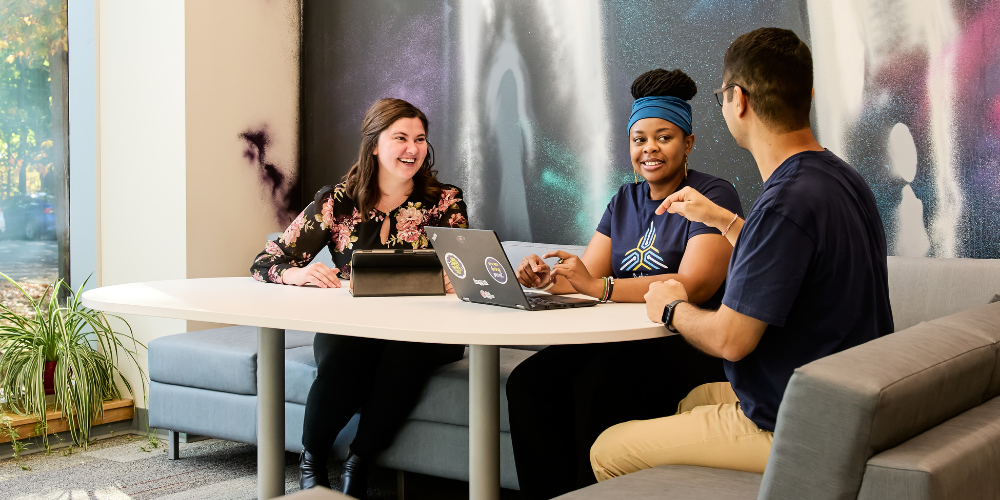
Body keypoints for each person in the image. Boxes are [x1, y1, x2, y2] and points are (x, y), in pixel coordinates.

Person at [589, 28, 894, 481]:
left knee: (606, 449)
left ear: (739, 100)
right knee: (690, 399)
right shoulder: (837, 178)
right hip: (844, 401)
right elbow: (793, 256)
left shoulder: (784, 202)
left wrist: (669, 307)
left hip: (801, 423)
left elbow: (730, 340)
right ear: (806, 94)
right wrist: (727, 222)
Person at [506, 69, 744, 500]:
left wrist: (602, 288)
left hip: (683, 343)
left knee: (597, 387)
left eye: (664, 137)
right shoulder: (624, 199)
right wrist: (546, 278)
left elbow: (695, 286)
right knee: (528, 382)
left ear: (688, 143)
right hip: (619, 343)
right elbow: (587, 278)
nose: (649, 149)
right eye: (639, 139)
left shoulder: (712, 196)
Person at [250, 98, 469, 498]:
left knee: (404, 354)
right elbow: (267, 259)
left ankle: (359, 461)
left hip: (428, 329)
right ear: (374, 145)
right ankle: (312, 460)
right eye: (400, 138)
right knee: (344, 356)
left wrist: (456, 276)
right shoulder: (337, 201)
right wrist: (297, 272)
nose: (412, 149)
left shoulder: (445, 200)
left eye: (419, 139)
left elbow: (463, 266)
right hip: (356, 324)